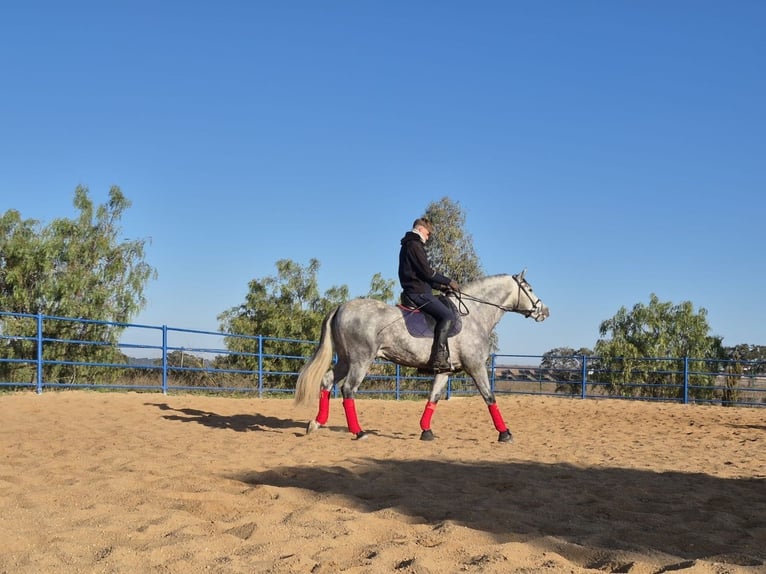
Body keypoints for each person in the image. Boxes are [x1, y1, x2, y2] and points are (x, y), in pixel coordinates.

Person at [398, 216, 460, 372]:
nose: (429, 236)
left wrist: (441, 287)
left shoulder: (410, 244)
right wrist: (448, 281)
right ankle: (438, 358)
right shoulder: (414, 244)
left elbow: (422, 276)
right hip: (417, 293)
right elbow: (427, 272)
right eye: (428, 233)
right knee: (448, 316)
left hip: (418, 289)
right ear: (420, 229)